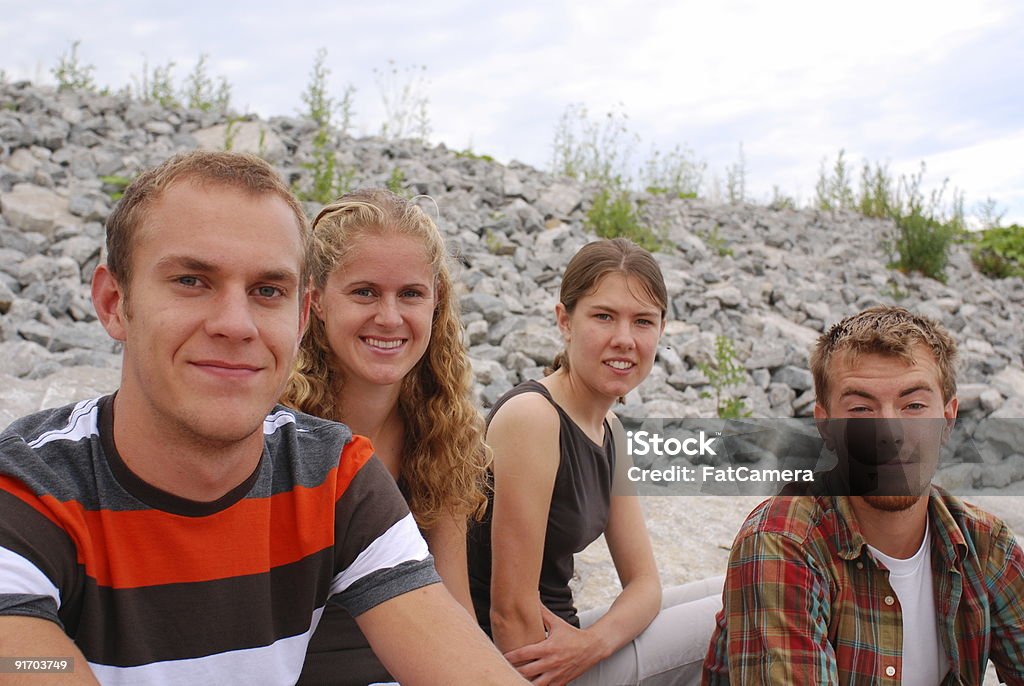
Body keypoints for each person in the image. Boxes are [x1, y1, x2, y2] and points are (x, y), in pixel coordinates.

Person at [0, 151, 524, 685]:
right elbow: (20, 661)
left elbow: (461, 636)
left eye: (267, 291)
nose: (235, 324)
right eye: (191, 280)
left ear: (299, 316)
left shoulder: (338, 474)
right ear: (114, 301)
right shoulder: (27, 494)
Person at [703, 305, 1024, 685]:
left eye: (914, 406)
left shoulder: (985, 544)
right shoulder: (781, 542)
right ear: (826, 426)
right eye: (861, 409)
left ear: (948, 419)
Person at [468, 237, 724, 686]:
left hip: (570, 646)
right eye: (604, 316)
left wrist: (592, 644)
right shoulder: (534, 417)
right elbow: (509, 613)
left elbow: (645, 585)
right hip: (521, 665)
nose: (624, 339)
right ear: (565, 321)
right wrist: (567, 661)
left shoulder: (612, 431)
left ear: (661, 330)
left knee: (738, 586)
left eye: (642, 321)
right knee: (743, 607)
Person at [280, 189, 489, 684]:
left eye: (411, 294)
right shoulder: (273, 430)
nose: (390, 317)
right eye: (365, 292)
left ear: (436, 303)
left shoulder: (446, 433)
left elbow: (455, 610)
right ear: (317, 302)